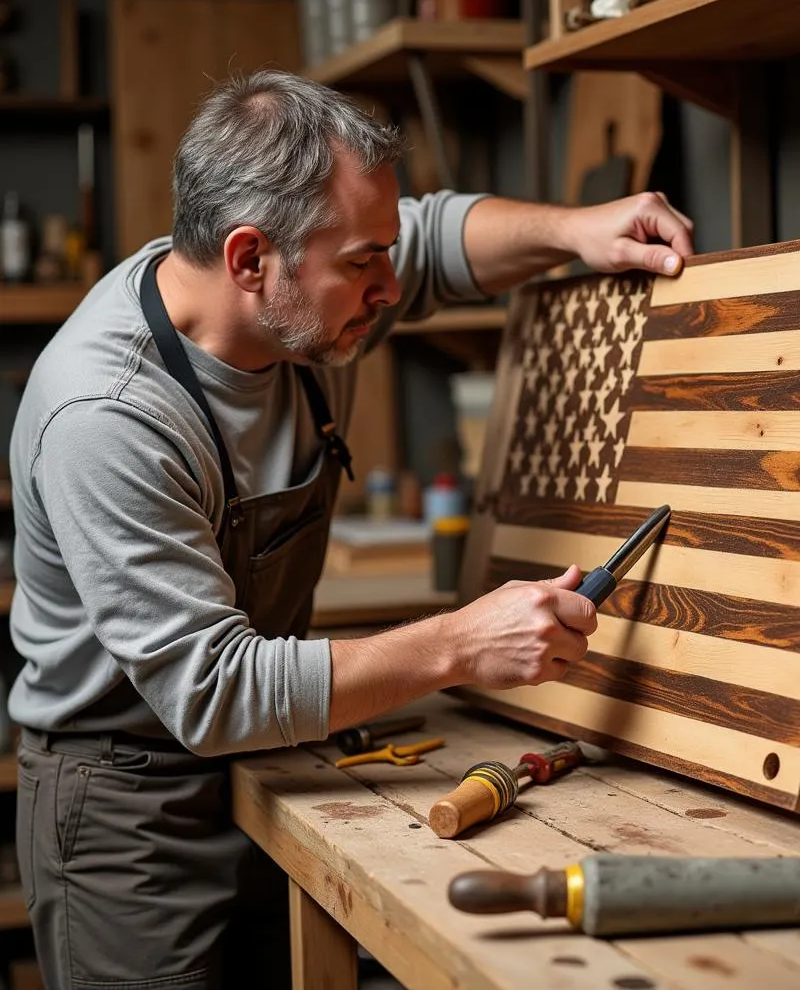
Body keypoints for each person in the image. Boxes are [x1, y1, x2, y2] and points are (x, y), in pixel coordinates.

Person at [8, 70, 694, 989]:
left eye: (386, 252)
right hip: (128, 804)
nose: (390, 287)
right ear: (250, 259)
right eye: (364, 264)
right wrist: (461, 642)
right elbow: (212, 691)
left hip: (269, 762)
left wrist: (574, 230)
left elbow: (442, 237)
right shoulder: (109, 414)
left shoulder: (303, 305)